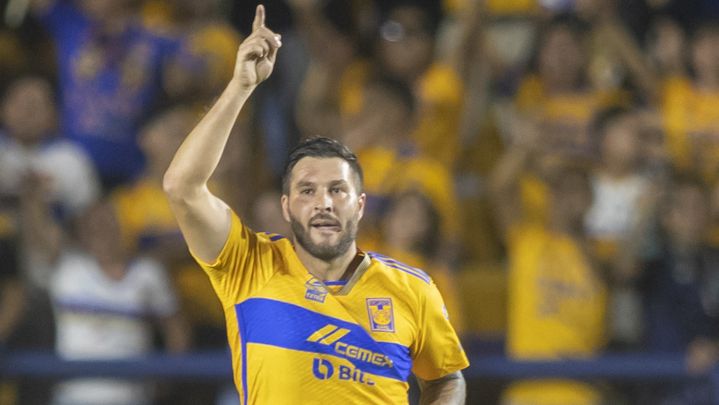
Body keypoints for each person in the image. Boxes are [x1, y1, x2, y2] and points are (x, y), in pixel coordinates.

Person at [163, 5, 468, 404]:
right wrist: (240, 86)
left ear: (360, 205)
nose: (323, 202)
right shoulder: (250, 266)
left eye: (337, 190)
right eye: (307, 191)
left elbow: (446, 379)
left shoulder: (414, 289)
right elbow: (182, 186)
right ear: (286, 207)